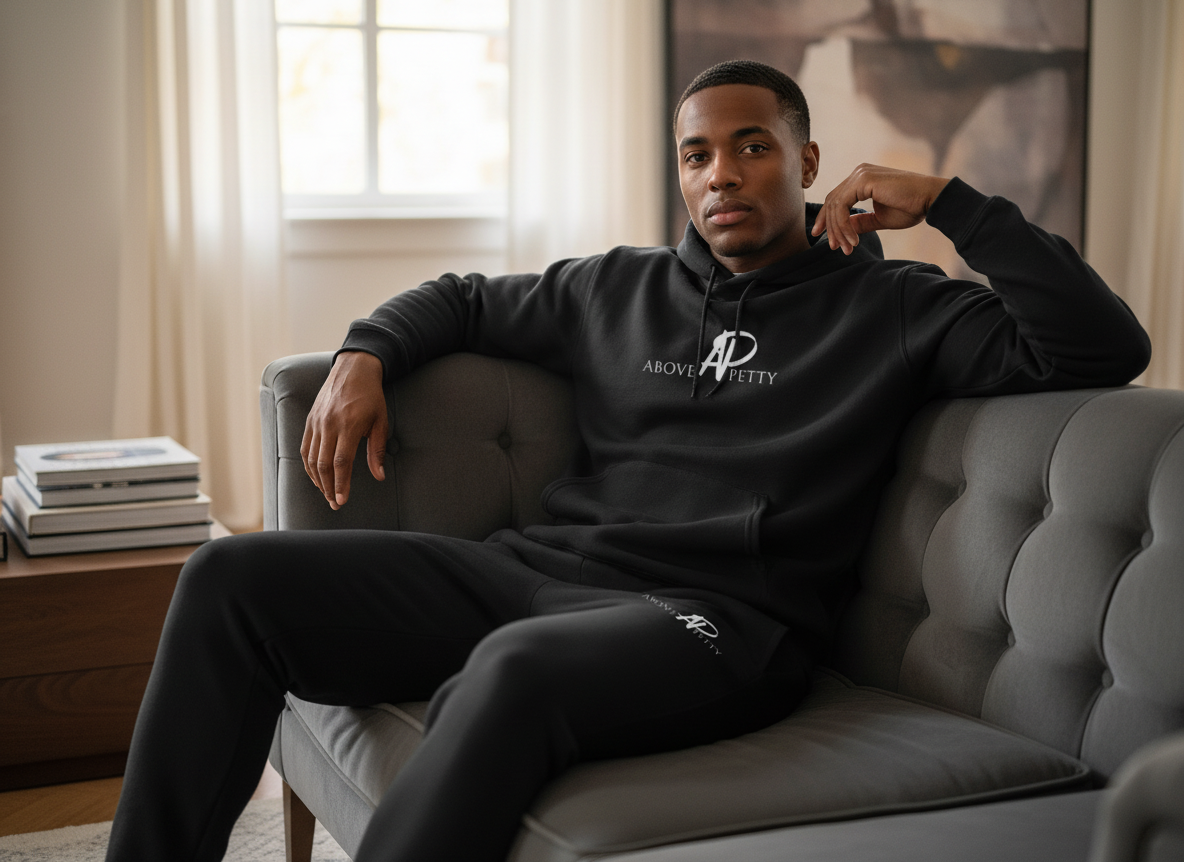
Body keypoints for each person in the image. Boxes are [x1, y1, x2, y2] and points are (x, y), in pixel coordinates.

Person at [106, 60, 1150, 862]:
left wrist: (953, 204)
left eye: (750, 148)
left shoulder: (894, 307)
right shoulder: (615, 288)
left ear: (807, 164)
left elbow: (1099, 346)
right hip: (530, 572)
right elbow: (460, 299)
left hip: (714, 620)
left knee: (512, 672)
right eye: (696, 156)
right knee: (229, 576)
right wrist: (364, 353)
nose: (719, 174)